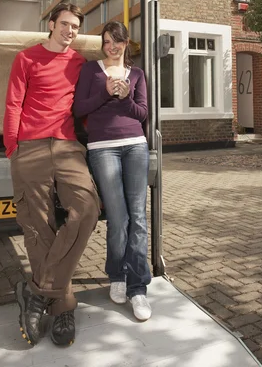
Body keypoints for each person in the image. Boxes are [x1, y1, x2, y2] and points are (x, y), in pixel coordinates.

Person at [3, 3, 100, 347]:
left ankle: (37, 292)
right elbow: (14, 102)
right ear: (51, 24)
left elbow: (90, 104)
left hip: (67, 146)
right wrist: (12, 147)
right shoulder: (26, 59)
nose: (70, 31)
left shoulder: (81, 64)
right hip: (29, 146)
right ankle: (62, 305)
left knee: (87, 209)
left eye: (75, 26)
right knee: (37, 224)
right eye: (65, 24)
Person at [73, 20, 152, 321]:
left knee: (139, 217)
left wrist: (126, 97)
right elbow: (79, 108)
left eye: (116, 41)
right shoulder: (91, 71)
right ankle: (116, 274)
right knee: (117, 217)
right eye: (106, 41)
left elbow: (142, 114)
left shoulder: (138, 74)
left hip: (135, 145)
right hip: (103, 147)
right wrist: (106, 92)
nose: (111, 46)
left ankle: (138, 288)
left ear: (126, 43)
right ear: (102, 44)